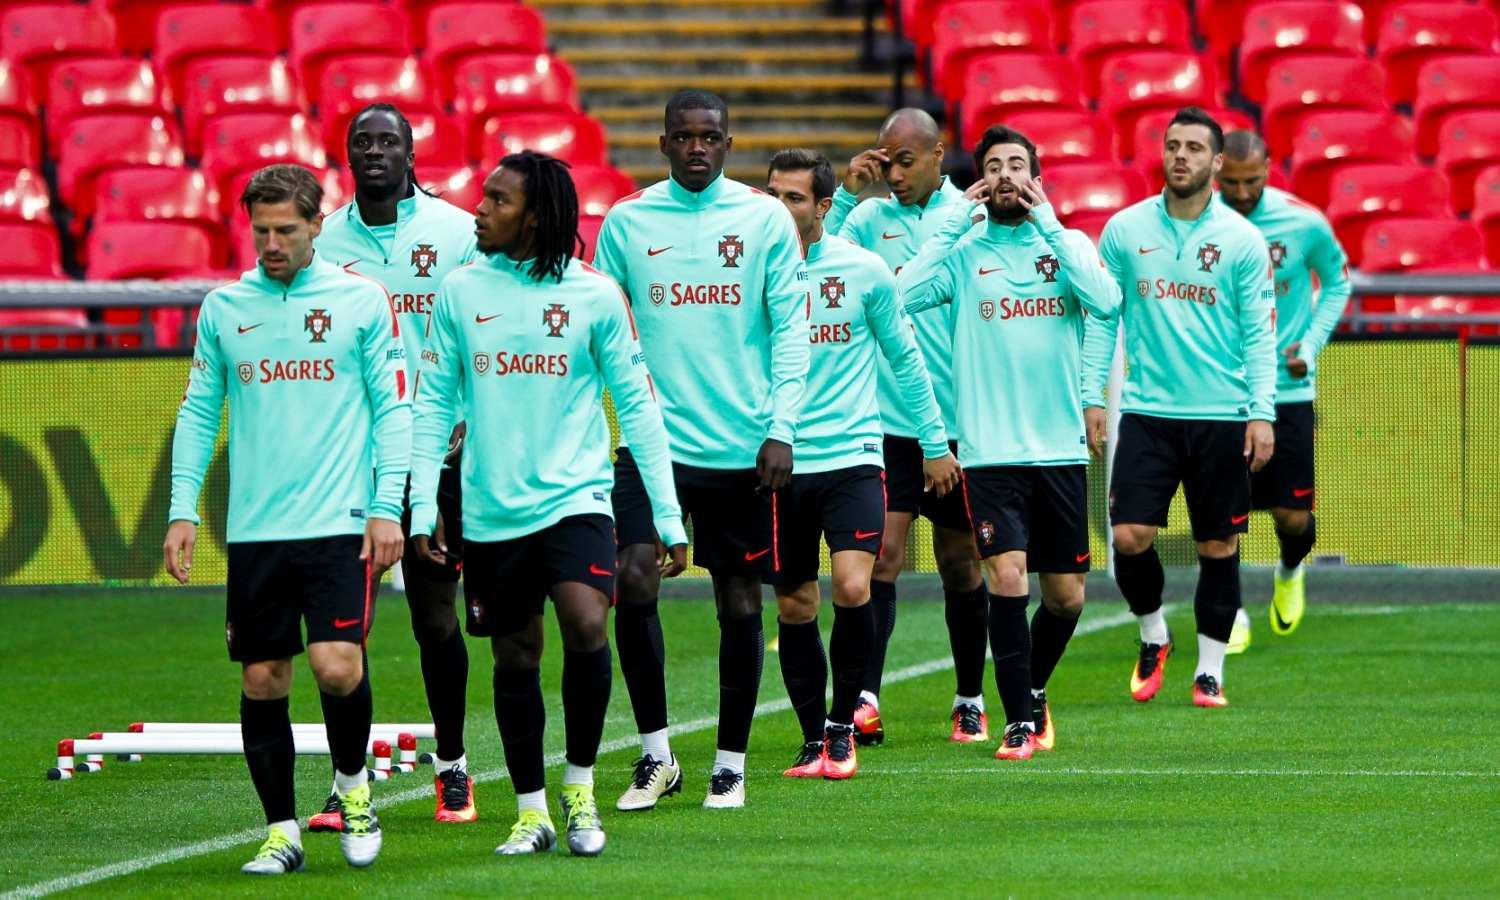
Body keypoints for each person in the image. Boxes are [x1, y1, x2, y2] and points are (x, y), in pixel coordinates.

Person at [408, 151, 687, 856]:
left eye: (497, 201)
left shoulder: (594, 296)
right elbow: (433, 402)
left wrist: (668, 514)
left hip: (577, 497)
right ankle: (531, 810)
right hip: (491, 506)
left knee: (588, 620)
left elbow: (638, 408)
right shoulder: (461, 291)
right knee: (515, 653)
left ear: (535, 216)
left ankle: (580, 788)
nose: (479, 209)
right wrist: (416, 504)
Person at [164, 163, 409, 874]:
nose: (271, 243)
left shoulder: (362, 303)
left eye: (286, 230)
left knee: (337, 667)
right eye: (261, 230)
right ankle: (280, 831)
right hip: (257, 530)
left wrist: (387, 506)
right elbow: (199, 410)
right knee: (263, 678)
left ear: (316, 227)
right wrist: (183, 510)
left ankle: (354, 790)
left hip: (340, 520)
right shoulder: (224, 308)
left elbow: (393, 408)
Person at [592, 89, 809, 810]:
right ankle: (656, 756)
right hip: (650, 446)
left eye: (709, 137)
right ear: (662, 143)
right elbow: (604, 335)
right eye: (682, 137)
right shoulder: (625, 223)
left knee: (739, 599)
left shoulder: (762, 219)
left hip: (742, 446)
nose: (696, 148)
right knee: (631, 579)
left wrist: (782, 427)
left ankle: (730, 762)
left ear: (727, 143)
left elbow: (792, 332)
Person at [899, 125, 1120, 758]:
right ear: (979, 182)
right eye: (992, 166)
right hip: (989, 451)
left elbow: (1106, 301)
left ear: (1037, 180)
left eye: (1016, 165)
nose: (1003, 176)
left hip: (1058, 451)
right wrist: (950, 225)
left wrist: (1049, 222)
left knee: (1066, 597)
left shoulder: (1067, 244)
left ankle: (1032, 691)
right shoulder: (964, 256)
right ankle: (1018, 721)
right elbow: (898, 295)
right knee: (1007, 576)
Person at [764, 149, 961, 780]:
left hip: (852, 455)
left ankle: (843, 726)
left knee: (854, 586)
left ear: (823, 208)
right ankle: (809, 737)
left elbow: (905, 359)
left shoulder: (864, 270)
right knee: (794, 605)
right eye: (771, 195)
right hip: (778, 463)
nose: (779, 208)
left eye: (794, 198)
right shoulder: (745, 274)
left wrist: (933, 441)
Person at [313, 102, 483, 827]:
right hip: (353, 459)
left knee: (435, 618)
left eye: (390, 142)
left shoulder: (454, 233)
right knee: (339, 630)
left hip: (438, 455)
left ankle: (453, 767)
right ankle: (346, 780)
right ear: (349, 156)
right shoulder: (322, 241)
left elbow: (485, 318)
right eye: (363, 142)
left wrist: (468, 414)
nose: (376, 152)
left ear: (411, 155)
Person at [1082, 107, 1278, 708]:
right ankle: (1154, 633)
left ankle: (1210, 672)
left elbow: (1258, 335)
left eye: (1194, 147)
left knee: (1218, 546)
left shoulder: (1242, 241)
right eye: (1172, 145)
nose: (1181, 156)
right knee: (1130, 535)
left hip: (1221, 416)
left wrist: (1261, 411)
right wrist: (1093, 395)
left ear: (1217, 162)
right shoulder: (1123, 230)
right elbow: (1102, 317)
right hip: (1146, 413)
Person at [827, 109, 991, 745]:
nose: (893, 174)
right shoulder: (867, 219)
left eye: (905, 161)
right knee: (882, 558)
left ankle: (969, 697)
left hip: (959, 423)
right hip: (886, 418)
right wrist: (845, 193)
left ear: (938, 155)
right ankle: (865, 696)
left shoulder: (973, 219)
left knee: (961, 563)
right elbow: (811, 255)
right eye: (885, 161)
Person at [1217, 129, 1350, 649]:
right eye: (1232, 182)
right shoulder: (1201, 225)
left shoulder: (1303, 223)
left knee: (1293, 517)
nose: (1242, 192)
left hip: (1287, 390)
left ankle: (1290, 572)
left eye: (1252, 181)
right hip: (1221, 394)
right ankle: (1228, 611)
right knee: (1221, 516)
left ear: (1270, 168)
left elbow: (1338, 282)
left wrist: (1310, 344)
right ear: (1217, 170)